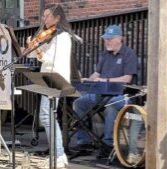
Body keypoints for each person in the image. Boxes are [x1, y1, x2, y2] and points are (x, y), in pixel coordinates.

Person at [72, 24, 138, 158]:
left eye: (110, 38)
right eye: (105, 38)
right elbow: (97, 73)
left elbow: (127, 78)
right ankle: (84, 141)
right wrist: (87, 80)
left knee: (112, 105)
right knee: (79, 103)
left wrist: (105, 81)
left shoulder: (129, 53)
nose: (106, 41)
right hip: (101, 92)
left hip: (122, 94)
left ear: (120, 39)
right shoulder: (105, 54)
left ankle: (108, 145)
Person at [26, 4, 72, 168]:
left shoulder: (63, 37)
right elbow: (36, 56)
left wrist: (38, 51)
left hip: (56, 79)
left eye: (47, 16)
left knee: (47, 116)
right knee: (47, 116)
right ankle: (58, 155)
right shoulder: (50, 37)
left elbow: (50, 59)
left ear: (57, 18)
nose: (43, 19)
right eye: (43, 15)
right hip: (47, 78)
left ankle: (59, 155)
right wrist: (31, 47)